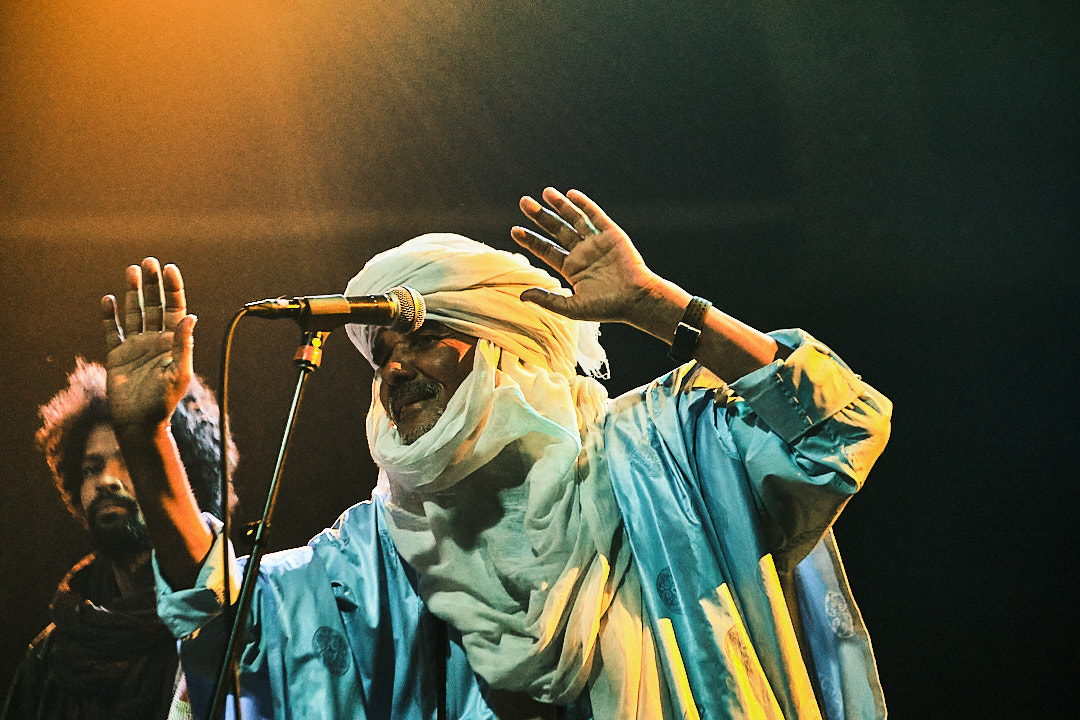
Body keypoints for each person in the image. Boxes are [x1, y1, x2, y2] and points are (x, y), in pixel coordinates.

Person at [103, 187, 891, 720]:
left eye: (422, 336)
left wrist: (655, 305)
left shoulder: (663, 453)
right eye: (380, 359)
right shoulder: (378, 553)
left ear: (506, 347)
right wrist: (145, 439)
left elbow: (837, 427)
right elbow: (229, 628)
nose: (396, 370)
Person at [2, 359, 234, 720]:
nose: (106, 480)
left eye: (128, 461)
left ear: (183, 479)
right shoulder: (53, 652)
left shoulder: (219, 631)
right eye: (91, 468)